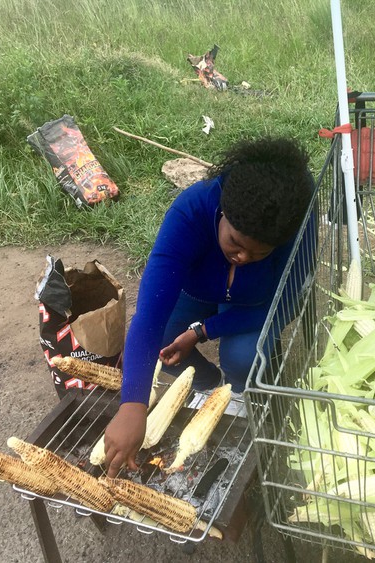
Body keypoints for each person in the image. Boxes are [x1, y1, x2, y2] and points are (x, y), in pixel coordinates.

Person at [103, 136, 315, 476]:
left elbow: (282, 304)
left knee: (242, 356)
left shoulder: (294, 224)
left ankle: (241, 395)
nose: (243, 257)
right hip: (198, 291)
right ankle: (208, 388)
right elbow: (149, 316)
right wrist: (133, 405)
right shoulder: (190, 212)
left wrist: (204, 331)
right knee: (161, 344)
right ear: (223, 211)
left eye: (260, 253)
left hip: (256, 302)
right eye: (235, 243)